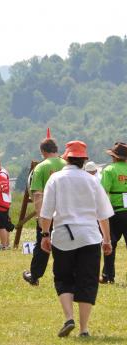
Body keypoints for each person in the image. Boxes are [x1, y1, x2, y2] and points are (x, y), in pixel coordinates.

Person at [40, 140, 113, 337]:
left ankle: (68, 317)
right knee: (88, 281)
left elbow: (46, 213)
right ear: (83, 160)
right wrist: (107, 240)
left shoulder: (55, 179)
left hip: (63, 236)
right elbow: (103, 214)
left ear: (66, 158)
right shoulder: (92, 180)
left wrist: (45, 234)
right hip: (89, 236)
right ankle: (84, 329)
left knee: (63, 278)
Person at [23, 138, 66, 286]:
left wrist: (41, 218)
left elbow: (37, 195)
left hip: (48, 213)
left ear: (42, 151)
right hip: (67, 214)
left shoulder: (40, 168)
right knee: (65, 245)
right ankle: (65, 275)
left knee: (42, 246)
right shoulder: (68, 165)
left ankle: (34, 276)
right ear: (56, 149)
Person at [100, 142, 127, 284]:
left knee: (110, 243)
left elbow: (103, 192)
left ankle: (107, 275)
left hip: (115, 212)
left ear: (114, 157)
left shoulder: (109, 169)